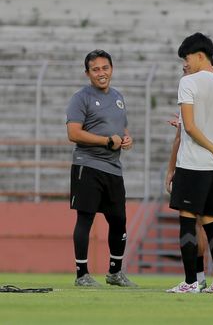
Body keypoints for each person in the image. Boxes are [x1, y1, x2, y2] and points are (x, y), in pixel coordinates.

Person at [166, 33, 213, 294]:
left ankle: (191, 281)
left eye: (187, 58)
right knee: (210, 222)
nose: (186, 63)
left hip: (193, 162)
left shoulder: (188, 82)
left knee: (187, 221)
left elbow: (190, 127)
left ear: (200, 55)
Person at [66, 49, 136, 288]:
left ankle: (115, 273)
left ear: (112, 69)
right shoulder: (80, 97)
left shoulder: (118, 96)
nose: (101, 73)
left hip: (113, 169)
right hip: (88, 166)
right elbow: (73, 133)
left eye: (105, 68)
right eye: (95, 69)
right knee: (85, 219)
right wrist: (106, 141)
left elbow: (121, 128)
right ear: (87, 73)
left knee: (119, 221)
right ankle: (81, 274)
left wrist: (126, 139)